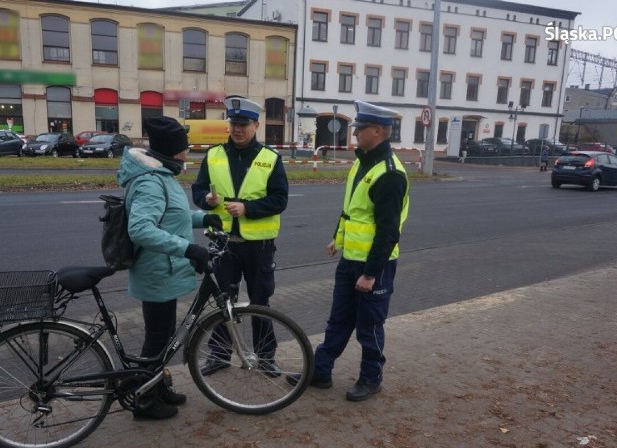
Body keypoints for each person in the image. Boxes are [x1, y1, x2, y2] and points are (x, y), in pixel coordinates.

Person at [291, 100, 409, 402]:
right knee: (339, 320)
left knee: (369, 327)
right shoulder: (362, 162)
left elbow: (388, 232)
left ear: (377, 131)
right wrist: (337, 238)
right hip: (350, 260)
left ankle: (371, 378)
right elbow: (352, 211)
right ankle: (321, 371)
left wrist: (371, 273)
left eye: (360, 128)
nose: (355, 133)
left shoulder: (390, 174)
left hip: (374, 267)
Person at [119, 116, 222, 420]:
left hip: (166, 271)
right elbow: (140, 229)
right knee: (157, 337)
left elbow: (173, 217)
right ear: (173, 150)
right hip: (156, 271)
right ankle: (146, 401)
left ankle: (158, 385)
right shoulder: (150, 182)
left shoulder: (163, 176)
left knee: (163, 336)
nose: (187, 153)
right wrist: (187, 248)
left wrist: (205, 218)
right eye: (184, 148)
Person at [191, 96, 290, 377]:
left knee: (260, 303)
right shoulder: (213, 155)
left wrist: (248, 208)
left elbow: (280, 199)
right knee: (224, 302)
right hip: (223, 244)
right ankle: (220, 354)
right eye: (234, 124)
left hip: (259, 246)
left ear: (256, 125)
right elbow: (198, 192)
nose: (238, 129)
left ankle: (266, 356)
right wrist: (206, 200)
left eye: (244, 124)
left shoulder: (270, 158)